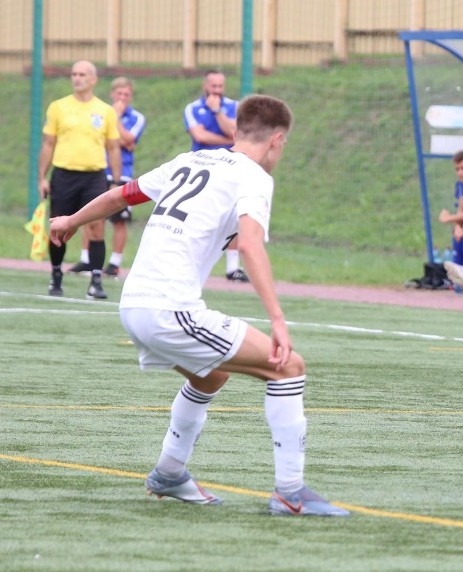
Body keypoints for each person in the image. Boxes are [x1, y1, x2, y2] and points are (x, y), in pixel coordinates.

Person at [49, 94, 348, 517]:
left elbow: (122, 196)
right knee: (288, 366)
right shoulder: (255, 178)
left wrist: (70, 220)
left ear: (234, 130)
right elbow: (249, 244)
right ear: (278, 140)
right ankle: (291, 492)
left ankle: (170, 472)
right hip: (170, 310)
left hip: (134, 304)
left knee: (212, 376)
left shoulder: (190, 160)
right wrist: (278, 320)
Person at [37, 60, 122, 300]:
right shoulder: (58, 107)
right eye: (74, 73)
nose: (77, 78)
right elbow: (48, 144)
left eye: (82, 74)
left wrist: (115, 181)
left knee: (96, 227)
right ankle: (56, 275)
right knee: (59, 227)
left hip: (94, 176)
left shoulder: (105, 111)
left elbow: (113, 147)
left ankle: (96, 281)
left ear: (93, 79)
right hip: (64, 175)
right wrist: (42, 177)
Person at [71, 77, 146, 278]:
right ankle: (87, 260)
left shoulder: (136, 117)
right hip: (97, 172)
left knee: (119, 221)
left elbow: (129, 140)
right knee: (92, 216)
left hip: (123, 174)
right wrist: (120, 139)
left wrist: (116, 118)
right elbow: (98, 139)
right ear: (112, 94)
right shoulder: (99, 112)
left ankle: (114, 263)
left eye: (126, 95)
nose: (122, 98)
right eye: (119, 94)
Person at [184, 70, 248, 283]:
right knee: (199, 216)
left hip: (230, 168)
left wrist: (218, 111)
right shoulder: (192, 108)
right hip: (201, 169)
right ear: (205, 85)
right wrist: (226, 136)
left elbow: (237, 132)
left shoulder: (235, 107)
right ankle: (192, 263)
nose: (217, 91)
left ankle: (232, 268)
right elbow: (199, 135)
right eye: (214, 87)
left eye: (221, 87)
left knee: (234, 215)